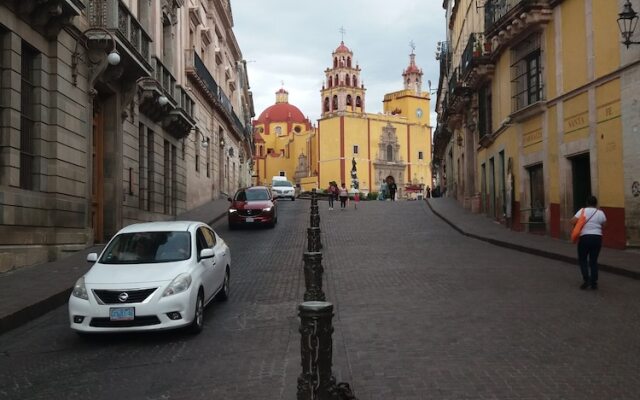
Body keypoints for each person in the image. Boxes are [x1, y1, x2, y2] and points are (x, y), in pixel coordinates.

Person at [570, 195, 607, 290]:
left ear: (587, 203)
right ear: (596, 203)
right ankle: (594, 282)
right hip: (597, 238)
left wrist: (580, 224)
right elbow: (605, 225)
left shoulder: (583, 211)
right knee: (593, 261)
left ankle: (586, 279)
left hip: (585, 237)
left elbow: (572, 221)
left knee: (583, 259)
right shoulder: (600, 213)